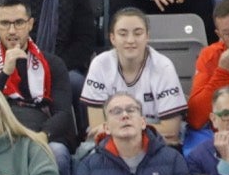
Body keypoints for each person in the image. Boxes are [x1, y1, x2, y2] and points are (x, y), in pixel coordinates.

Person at [0, 0, 77, 150]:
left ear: (30, 24)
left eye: (19, 22)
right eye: (5, 23)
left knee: (58, 152)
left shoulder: (53, 64)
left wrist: (42, 135)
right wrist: (5, 73)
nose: (12, 31)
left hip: (43, 134)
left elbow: (63, 113)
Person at [81, 8, 190, 146]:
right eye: (123, 34)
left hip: (154, 143)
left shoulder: (164, 67)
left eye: (138, 33)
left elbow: (170, 132)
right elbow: (97, 126)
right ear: (112, 38)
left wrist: (126, 130)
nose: (131, 40)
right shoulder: (100, 64)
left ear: (147, 36)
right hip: (112, 141)